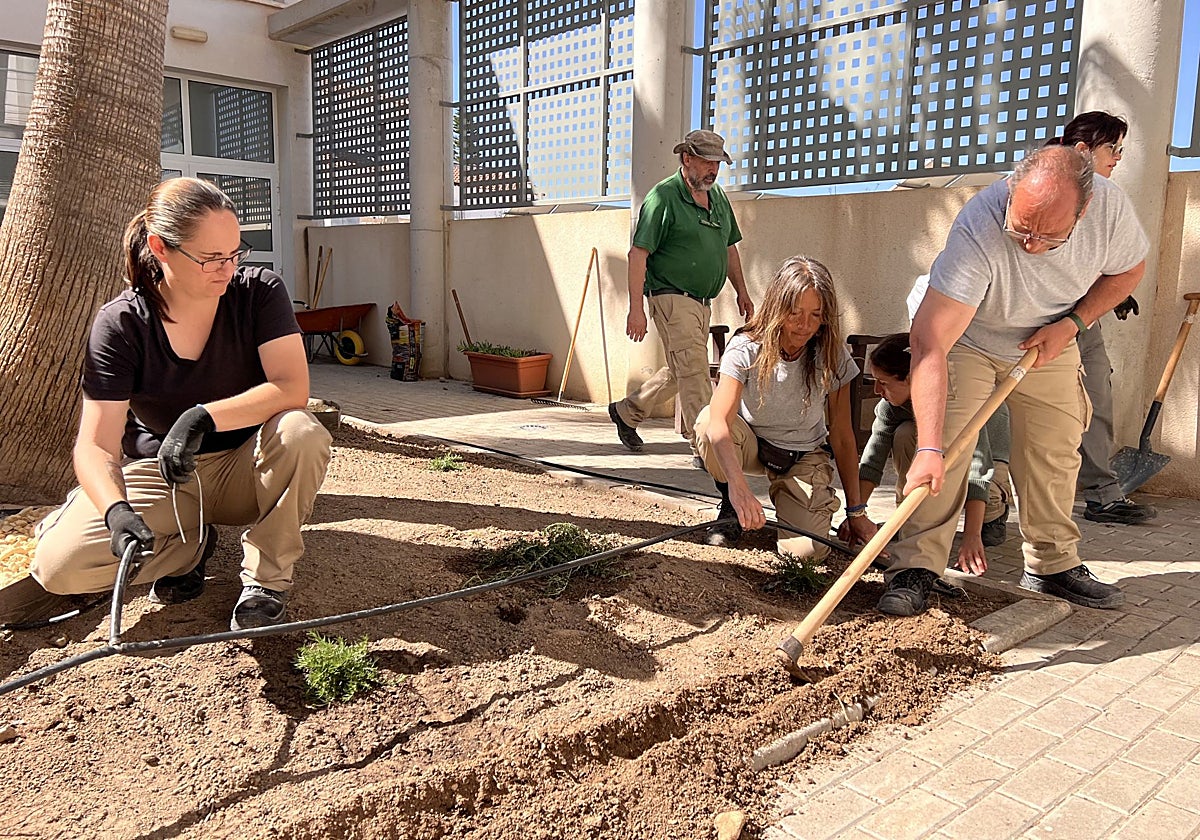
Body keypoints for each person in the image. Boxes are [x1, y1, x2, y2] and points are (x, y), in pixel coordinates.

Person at [31, 177, 332, 631]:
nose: (227, 269)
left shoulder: (259, 293)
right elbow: (94, 445)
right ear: (161, 247)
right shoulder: (121, 324)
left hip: (247, 472)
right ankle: (187, 549)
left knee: (301, 431)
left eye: (235, 253)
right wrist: (116, 510)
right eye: (211, 258)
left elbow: (292, 387)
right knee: (60, 566)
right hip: (168, 480)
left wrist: (202, 416)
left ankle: (266, 580)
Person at [891, 144, 1147, 616]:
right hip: (968, 339)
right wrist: (926, 448)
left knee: (1055, 449)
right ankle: (916, 567)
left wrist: (1074, 323)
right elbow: (930, 342)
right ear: (1011, 188)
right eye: (1022, 228)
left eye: (1049, 237)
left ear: (1084, 209)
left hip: (1049, 337)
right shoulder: (979, 227)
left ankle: (1052, 566)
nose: (1030, 245)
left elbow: (1129, 270)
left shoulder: (1110, 212)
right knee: (944, 446)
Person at [695, 256, 877, 559]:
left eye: (816, 315)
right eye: (795, 313)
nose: (805, 326)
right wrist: (739, 488)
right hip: (751, 446)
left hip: (802, 455)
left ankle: (792, 505)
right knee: (705, 424)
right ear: (778, 307)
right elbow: (718, 423)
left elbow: (843, 436)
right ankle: (731, 502)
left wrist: (856, 512)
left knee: (807, 553)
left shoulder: (832, 355)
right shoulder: (746, 347)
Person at [608, 129, 755, 469]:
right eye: (706, 161)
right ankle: (705, 446)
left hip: (703, 300)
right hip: (671, 296)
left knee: (683, 369)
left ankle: (627, 412)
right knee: (694, 372)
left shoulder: (717, 198)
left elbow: (729, 248)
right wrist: (636, 309)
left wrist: (742, 291)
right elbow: (637, 254)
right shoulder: (664, 197)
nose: (713, 169)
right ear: (686, 158)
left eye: (717, 163)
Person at [1047, 111, 1155, 525]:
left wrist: (1117, 292)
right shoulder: (1044, 186)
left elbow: (1109, 256)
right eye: (1113, 148)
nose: (1119, 157)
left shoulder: (1104, 195)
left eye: (1121, 149)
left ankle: (1102, 496)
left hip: (1081, 319)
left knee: (1096, 398)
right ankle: (993, 503)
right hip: (1030, 324)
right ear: (1082, 149)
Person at [848, 333, 1009, 575]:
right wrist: (856, 512)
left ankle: (995, 515)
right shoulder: (890, 406)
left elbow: (979, 469)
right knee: (905, 434)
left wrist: (971, 536)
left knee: (989, 504)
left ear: (912, 379)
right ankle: (910, 516)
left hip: (989, 463)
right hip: (937, 453)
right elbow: (873, 458)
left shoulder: (959, 401)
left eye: (884, 382)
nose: (877, 390)